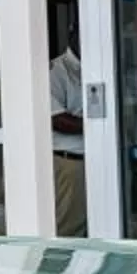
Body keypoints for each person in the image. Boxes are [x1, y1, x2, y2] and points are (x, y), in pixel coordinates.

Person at [50, 43, 88, 236]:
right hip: (71, 163)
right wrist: (97, 127)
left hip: (105, 162)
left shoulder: (105, 65)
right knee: (69, 233)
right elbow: (56, 119)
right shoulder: (56, 70)